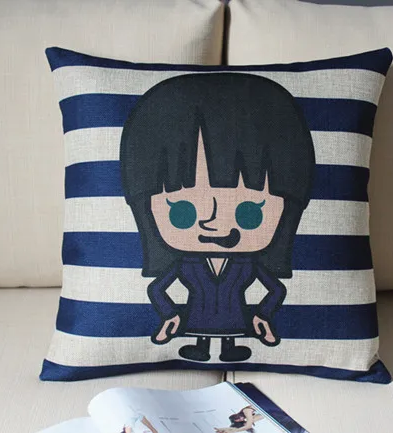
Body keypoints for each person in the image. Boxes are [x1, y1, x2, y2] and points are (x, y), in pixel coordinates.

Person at [120, 73, 315, 362]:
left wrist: (262, 315)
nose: (213, 225)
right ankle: (201, 348)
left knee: (230, 342)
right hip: (195, 322)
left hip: (236, 323)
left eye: (248, 213)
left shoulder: (247, 263)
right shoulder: (186, 263)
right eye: (182, 212)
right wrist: (170, 315)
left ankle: (228, 348)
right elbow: (157, 288)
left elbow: (275, 288)